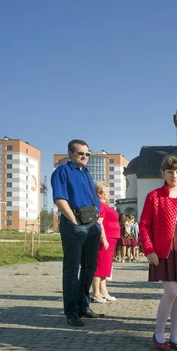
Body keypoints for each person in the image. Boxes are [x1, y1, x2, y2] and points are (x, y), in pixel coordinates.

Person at [139, 156, 177, 351]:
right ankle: (158, 332)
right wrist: (149, 249)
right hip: (163, 250)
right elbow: (144, 225)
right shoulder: (154, 196)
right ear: (163, 173)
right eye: (170, 171)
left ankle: (174, 335)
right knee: (171, 291)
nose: (174, 175)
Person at [51, 139, 104, 327]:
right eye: (81, 153)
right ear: (71, 154)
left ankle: (83, 306)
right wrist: (73, 222)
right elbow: (59, 198)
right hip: (74, 226)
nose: (85, 157)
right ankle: (71, 313)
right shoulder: (62, 172)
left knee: (90, 268)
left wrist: (97, 222)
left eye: (87, 154)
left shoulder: (86, 173)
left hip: (92, 226)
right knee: (72, 271)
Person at [91, 182, 121, 303]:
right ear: (99, 193)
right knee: (100, 266)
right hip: (105, 239)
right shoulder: (100, 205)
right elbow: (100, 223)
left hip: (111, 239)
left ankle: (103, 290)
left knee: (106, 267)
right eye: (107, 192)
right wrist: (103, 239)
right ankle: (96, 293)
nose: (109, 194)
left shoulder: (104, 205)